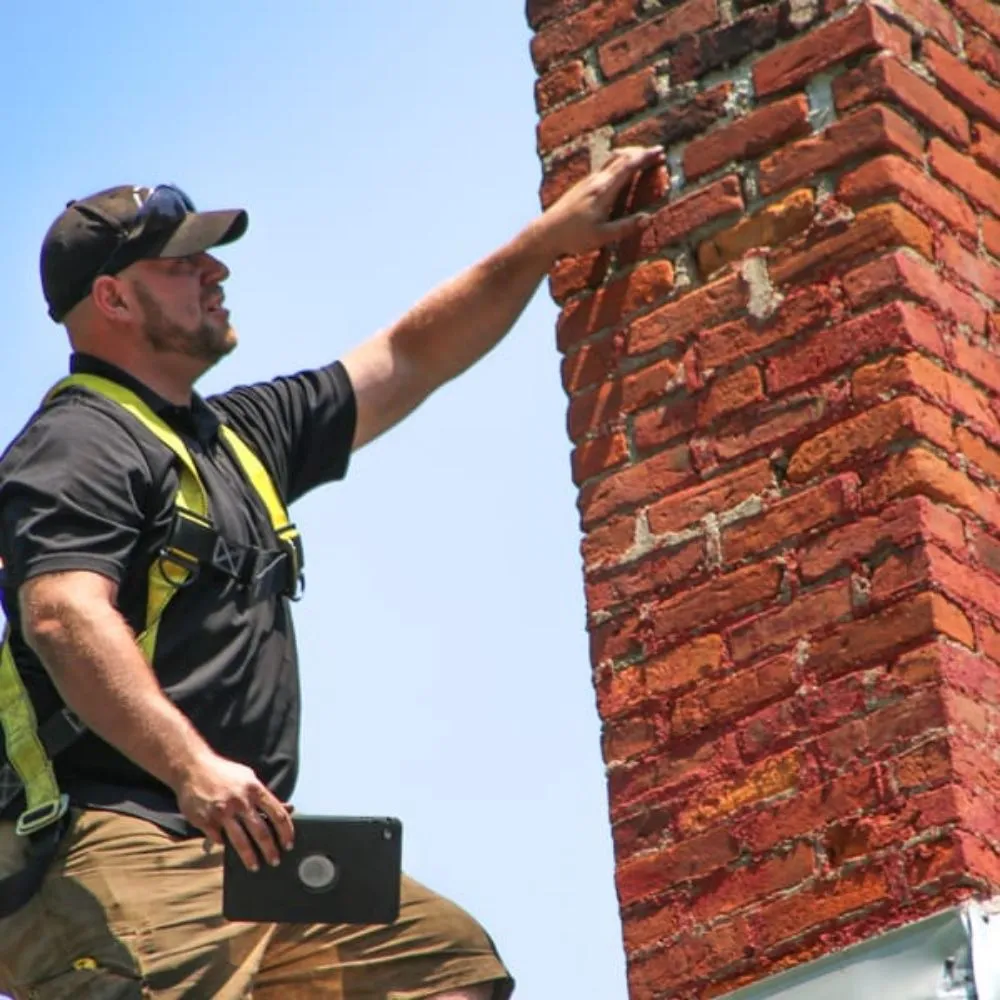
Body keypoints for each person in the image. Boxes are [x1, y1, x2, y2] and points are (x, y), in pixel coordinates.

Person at [0, 144, 663, 1000]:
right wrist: (194, 769)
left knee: (445, 968)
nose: (213, 270)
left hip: (246, 845)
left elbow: (408, 356)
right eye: (179, 261)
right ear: (113, 298)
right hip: (117, 841)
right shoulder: (80, 442)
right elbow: (61, 613)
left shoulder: (233, 436)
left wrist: (544, 244)